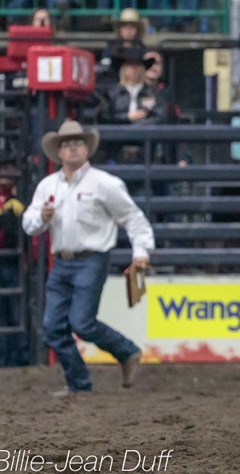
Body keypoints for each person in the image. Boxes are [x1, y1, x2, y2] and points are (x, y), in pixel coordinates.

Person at [21, 121, 154, 395]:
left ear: (86, 149)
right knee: (52, 327)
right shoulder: (48, 186)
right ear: (58, 152)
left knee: (80, 322)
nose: (72, 148)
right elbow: (29, 223)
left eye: (77, 143)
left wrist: (141, 252)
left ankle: (123, 353)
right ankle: (82, 382)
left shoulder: (105, 184)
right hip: (63, 261)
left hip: (92, 258)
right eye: (67, 144)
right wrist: (40, 218)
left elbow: (132, 218)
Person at [0, 149, 27, 367]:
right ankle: (2, 356)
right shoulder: (1, 197)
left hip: (11, 260)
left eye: (9, 167)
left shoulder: (20, 195)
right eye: (1, 168)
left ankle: (20, 357)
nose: (6, 171)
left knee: (16, 310)